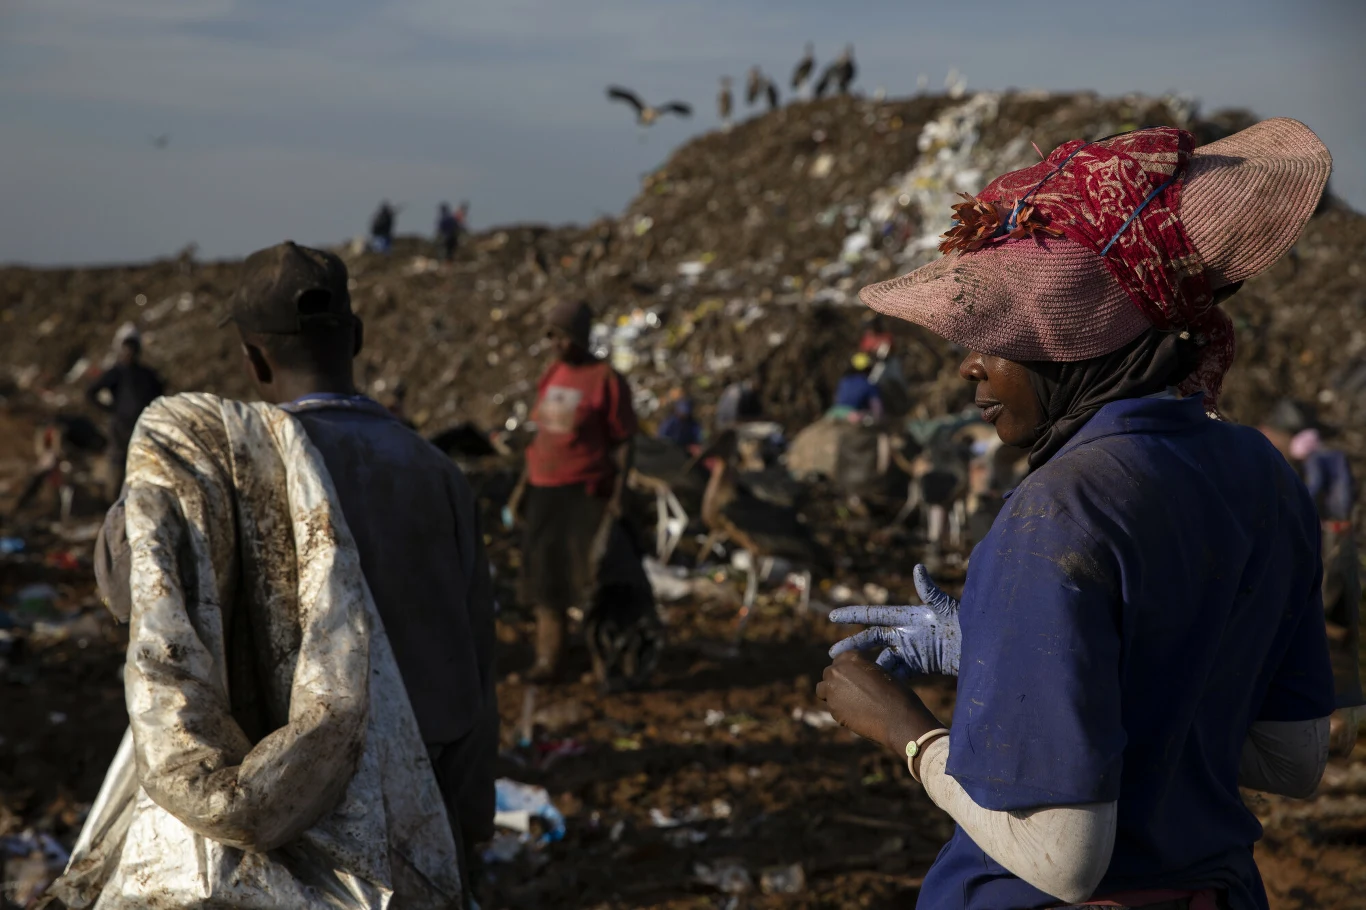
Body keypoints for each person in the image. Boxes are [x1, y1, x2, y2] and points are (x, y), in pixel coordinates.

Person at [817, 119, 1344, 909]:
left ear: (1077, 345)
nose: (970, 366)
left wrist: (906, 731)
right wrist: (1002, 646)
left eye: (998, 339)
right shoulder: (1262, 473)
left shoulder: (1054, 512)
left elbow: (1064, 858)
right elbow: (1293, 759)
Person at [93, 242, 497, 896]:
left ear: (252, 356)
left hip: (273, 819)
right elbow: (478, 657)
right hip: (413, 805)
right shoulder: (436, 473)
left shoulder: (221, 469)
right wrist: (469, 822)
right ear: (357, 339)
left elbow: (130, 594)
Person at [507, 298, 661, 688]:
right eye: (552, 337)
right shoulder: (553, 374)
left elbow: (624, 442)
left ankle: (605, 665)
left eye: (562, 336)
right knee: (546, 583)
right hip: (545, 492)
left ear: (580, 337)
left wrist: (619, 494)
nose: (556, 344)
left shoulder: (605, 379)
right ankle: (549, 661)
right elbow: (541, 438)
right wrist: (521, 490)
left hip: (586, 493)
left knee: (593, 583)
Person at [1260, 400, 1364, 753]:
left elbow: (1314, 494)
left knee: (1326, 625)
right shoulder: (1329, 458)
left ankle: (1337, 720)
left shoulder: (1315, 464)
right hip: (1338, 537)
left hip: (1329, 539)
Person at [86, 334, 165, 500]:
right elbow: (91, 392)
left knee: (144, 463)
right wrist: (110, 409)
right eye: (126, 351)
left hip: (143, 426)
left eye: (132, 351)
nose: (129, 354)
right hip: (120, 426)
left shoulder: (146, 374)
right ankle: (113, 501)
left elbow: (160, 395)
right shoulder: (116, 373)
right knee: (118, 464)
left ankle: (141, 500)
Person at [829, 352, 883, 422]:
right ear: (867, 369)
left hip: (834, 412)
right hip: (853, 415)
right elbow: (877, 409)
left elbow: (837, 398)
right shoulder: (869, 384)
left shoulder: (844, 381)